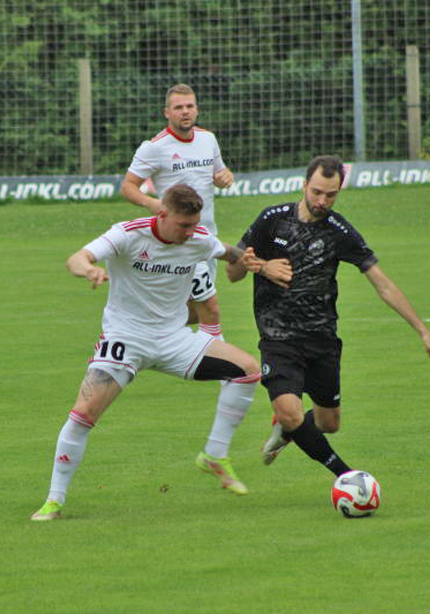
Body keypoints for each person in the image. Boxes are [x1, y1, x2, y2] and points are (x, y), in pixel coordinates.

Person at [31, 184, 260, 521]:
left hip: (175, 339)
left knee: (248, 369)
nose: (190, 232)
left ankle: (214, 455)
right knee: (83, 415)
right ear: (162, 214)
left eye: (194, 224)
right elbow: (76, 258)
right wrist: (90, 270)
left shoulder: (196, 238)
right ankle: (54, 501)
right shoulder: (127, 234)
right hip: (126, 338)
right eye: (183, 225)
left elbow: (228, 252)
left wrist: (254, 262)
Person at [226, 155, 430, 477]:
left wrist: (423, 331)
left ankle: (288, 431)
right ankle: (347, 476)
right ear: (304, 184)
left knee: (329, 423)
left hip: (322, 339)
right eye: (316, 192)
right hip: (278, 338)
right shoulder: (272, 220)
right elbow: (232, 272)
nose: (322, 201)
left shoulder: (339, 231)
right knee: (288, 410)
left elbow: (382, 284)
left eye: (331, 194)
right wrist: (258, 264)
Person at [121, 83, 234, 339]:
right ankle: (223, 365)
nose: (185, 112)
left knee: (192, 311)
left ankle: (145, 332)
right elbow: (128, 187)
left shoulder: (208, 139)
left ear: (197, 109)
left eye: (189, 106)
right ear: (167, 113)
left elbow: (217, 174)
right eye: (179, 107)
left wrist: (225, 177)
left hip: (207, 237)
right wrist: (155, 205)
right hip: (178, 240)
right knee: (208, 307)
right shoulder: (155, 147)